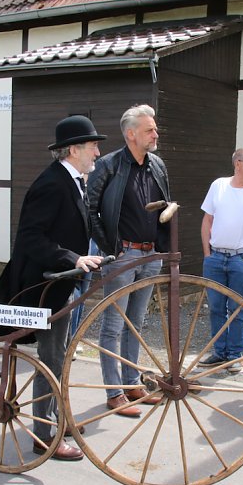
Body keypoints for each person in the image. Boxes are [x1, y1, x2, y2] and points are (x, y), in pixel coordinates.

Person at [0, 115, 106, 462]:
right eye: (92, 146)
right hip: (42, 286)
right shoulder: (51, 183)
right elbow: (31, 238)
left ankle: (56, 420)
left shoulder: (73, 181)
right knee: (51, 359)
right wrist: (73, 258)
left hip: (62, 281)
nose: (97, 152)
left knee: (60, 356)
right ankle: (44, 435)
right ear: (74, 150)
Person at [87, 104, 170, 418]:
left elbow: (166, 205)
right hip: (123, 255)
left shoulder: (157, 164)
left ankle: (132, 384)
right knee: (113, 325)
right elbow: (90, 208)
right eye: (150, 130)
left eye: (155, 129)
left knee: (135, 324)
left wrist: (161, 246)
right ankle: (114, 392)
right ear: (131, 134)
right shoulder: (109, 165)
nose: (155, 134)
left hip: (150, 254)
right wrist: (111, 247)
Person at [199, 147, 243, 373]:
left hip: (240, 257)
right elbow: (207, 221)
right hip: (215, 257)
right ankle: (219, 352)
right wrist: (207, 253)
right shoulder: (218, 185)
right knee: (216, 307)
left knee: (238, 307)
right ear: (237, 163)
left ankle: (235, 355)